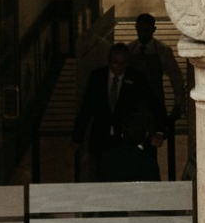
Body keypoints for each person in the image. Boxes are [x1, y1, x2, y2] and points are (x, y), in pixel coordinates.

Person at [74, 42, 168, 181]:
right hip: (101, 139)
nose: (118, 67)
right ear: (109, 61)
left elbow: (154, 105)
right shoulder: (97, 77)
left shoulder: (137, 78)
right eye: (115, 63)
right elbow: (86, 109)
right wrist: (77, 138)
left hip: (126, 140)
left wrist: (159, 132)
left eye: (122, 63)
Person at [127, 12, 187, 170]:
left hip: (154, 107)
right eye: (140, 30)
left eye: (146, 30)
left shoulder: (162, 50)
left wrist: (178, 102)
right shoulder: (129, 50)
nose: (143, 34)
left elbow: (176, 77)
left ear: (154, 30)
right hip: (132, 106)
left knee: (150, 149)